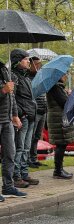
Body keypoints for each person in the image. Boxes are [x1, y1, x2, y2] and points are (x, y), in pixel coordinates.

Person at [11, 49, 39, 187]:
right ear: (18, 61)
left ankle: (24, 173)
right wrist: (21, 114)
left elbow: (29, 97)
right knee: (19, 148)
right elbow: (13, 98)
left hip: (31, 116)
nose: (29, 61)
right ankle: (16, 177)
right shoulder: (13, 77)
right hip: (23, 117)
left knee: (26, 148)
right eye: (26, 59)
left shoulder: (26, 77)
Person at [0, 61, 26, 201]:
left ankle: (8, 186)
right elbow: (5, 91)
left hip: (6, 119)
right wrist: (3, 90)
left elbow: (11, 96)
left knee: (10, 154)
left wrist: (15, 115)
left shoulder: (4, 69)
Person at [46, 73, 74, 179]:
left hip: (58, 118)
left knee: (62, 144)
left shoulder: (57, 86)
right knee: (61, 144)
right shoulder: (56, 87)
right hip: (57, 119)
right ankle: (58, 171)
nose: (66, 76)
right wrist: (69, 96)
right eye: (64, 74)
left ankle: (59, 169)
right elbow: (64, 103)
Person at [28, 56, 46, 168]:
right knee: (31, 136)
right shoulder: (29, 78)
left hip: (43, 110)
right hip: (34, 110)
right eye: (36, 64)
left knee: (37, 137)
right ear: (31, 65)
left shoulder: (41, 76)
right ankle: (28, 159)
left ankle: (34, 158)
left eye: (39, 64)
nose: (38, 66)